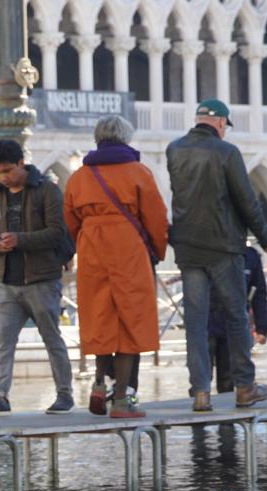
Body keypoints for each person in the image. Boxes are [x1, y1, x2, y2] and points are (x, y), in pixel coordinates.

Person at [165, 99, 267, 412]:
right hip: (223, 247)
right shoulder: (228, 153)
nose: (225, 131)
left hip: (187, 248)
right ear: (219, 122)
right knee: (237, 316)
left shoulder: (174, 149)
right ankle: (244, 387)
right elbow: (247, 201)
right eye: (225, 125)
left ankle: (201, 392)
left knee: (195, 323)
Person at [65, 114, 168, 418]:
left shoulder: (79, 177)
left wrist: (81, 243)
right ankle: (121, 399)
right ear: (126, 138)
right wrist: (156, 252)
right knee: (130, 319)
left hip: (92, 248)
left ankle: (98, 383)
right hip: (127, 248)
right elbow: (156, 218)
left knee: (99, 316)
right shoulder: (138, 172)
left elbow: (69, 221)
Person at [0, 138, 75, 416]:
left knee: (51, 337)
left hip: (41, 280)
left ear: (22, 163)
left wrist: (19, 240)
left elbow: (57, 232)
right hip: (6, 280)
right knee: (3, 340)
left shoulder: (47, 190)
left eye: (8, 170)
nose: (3, 177)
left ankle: (65, 394)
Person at [209, 246, 267, 392]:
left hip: (234, 321)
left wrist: (262, 327)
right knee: (203, 371)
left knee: (228, 375)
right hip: (208, 318)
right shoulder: (207, 251)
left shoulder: (251, 256)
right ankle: (199, 399)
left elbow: (259, 292)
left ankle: (226, 401)